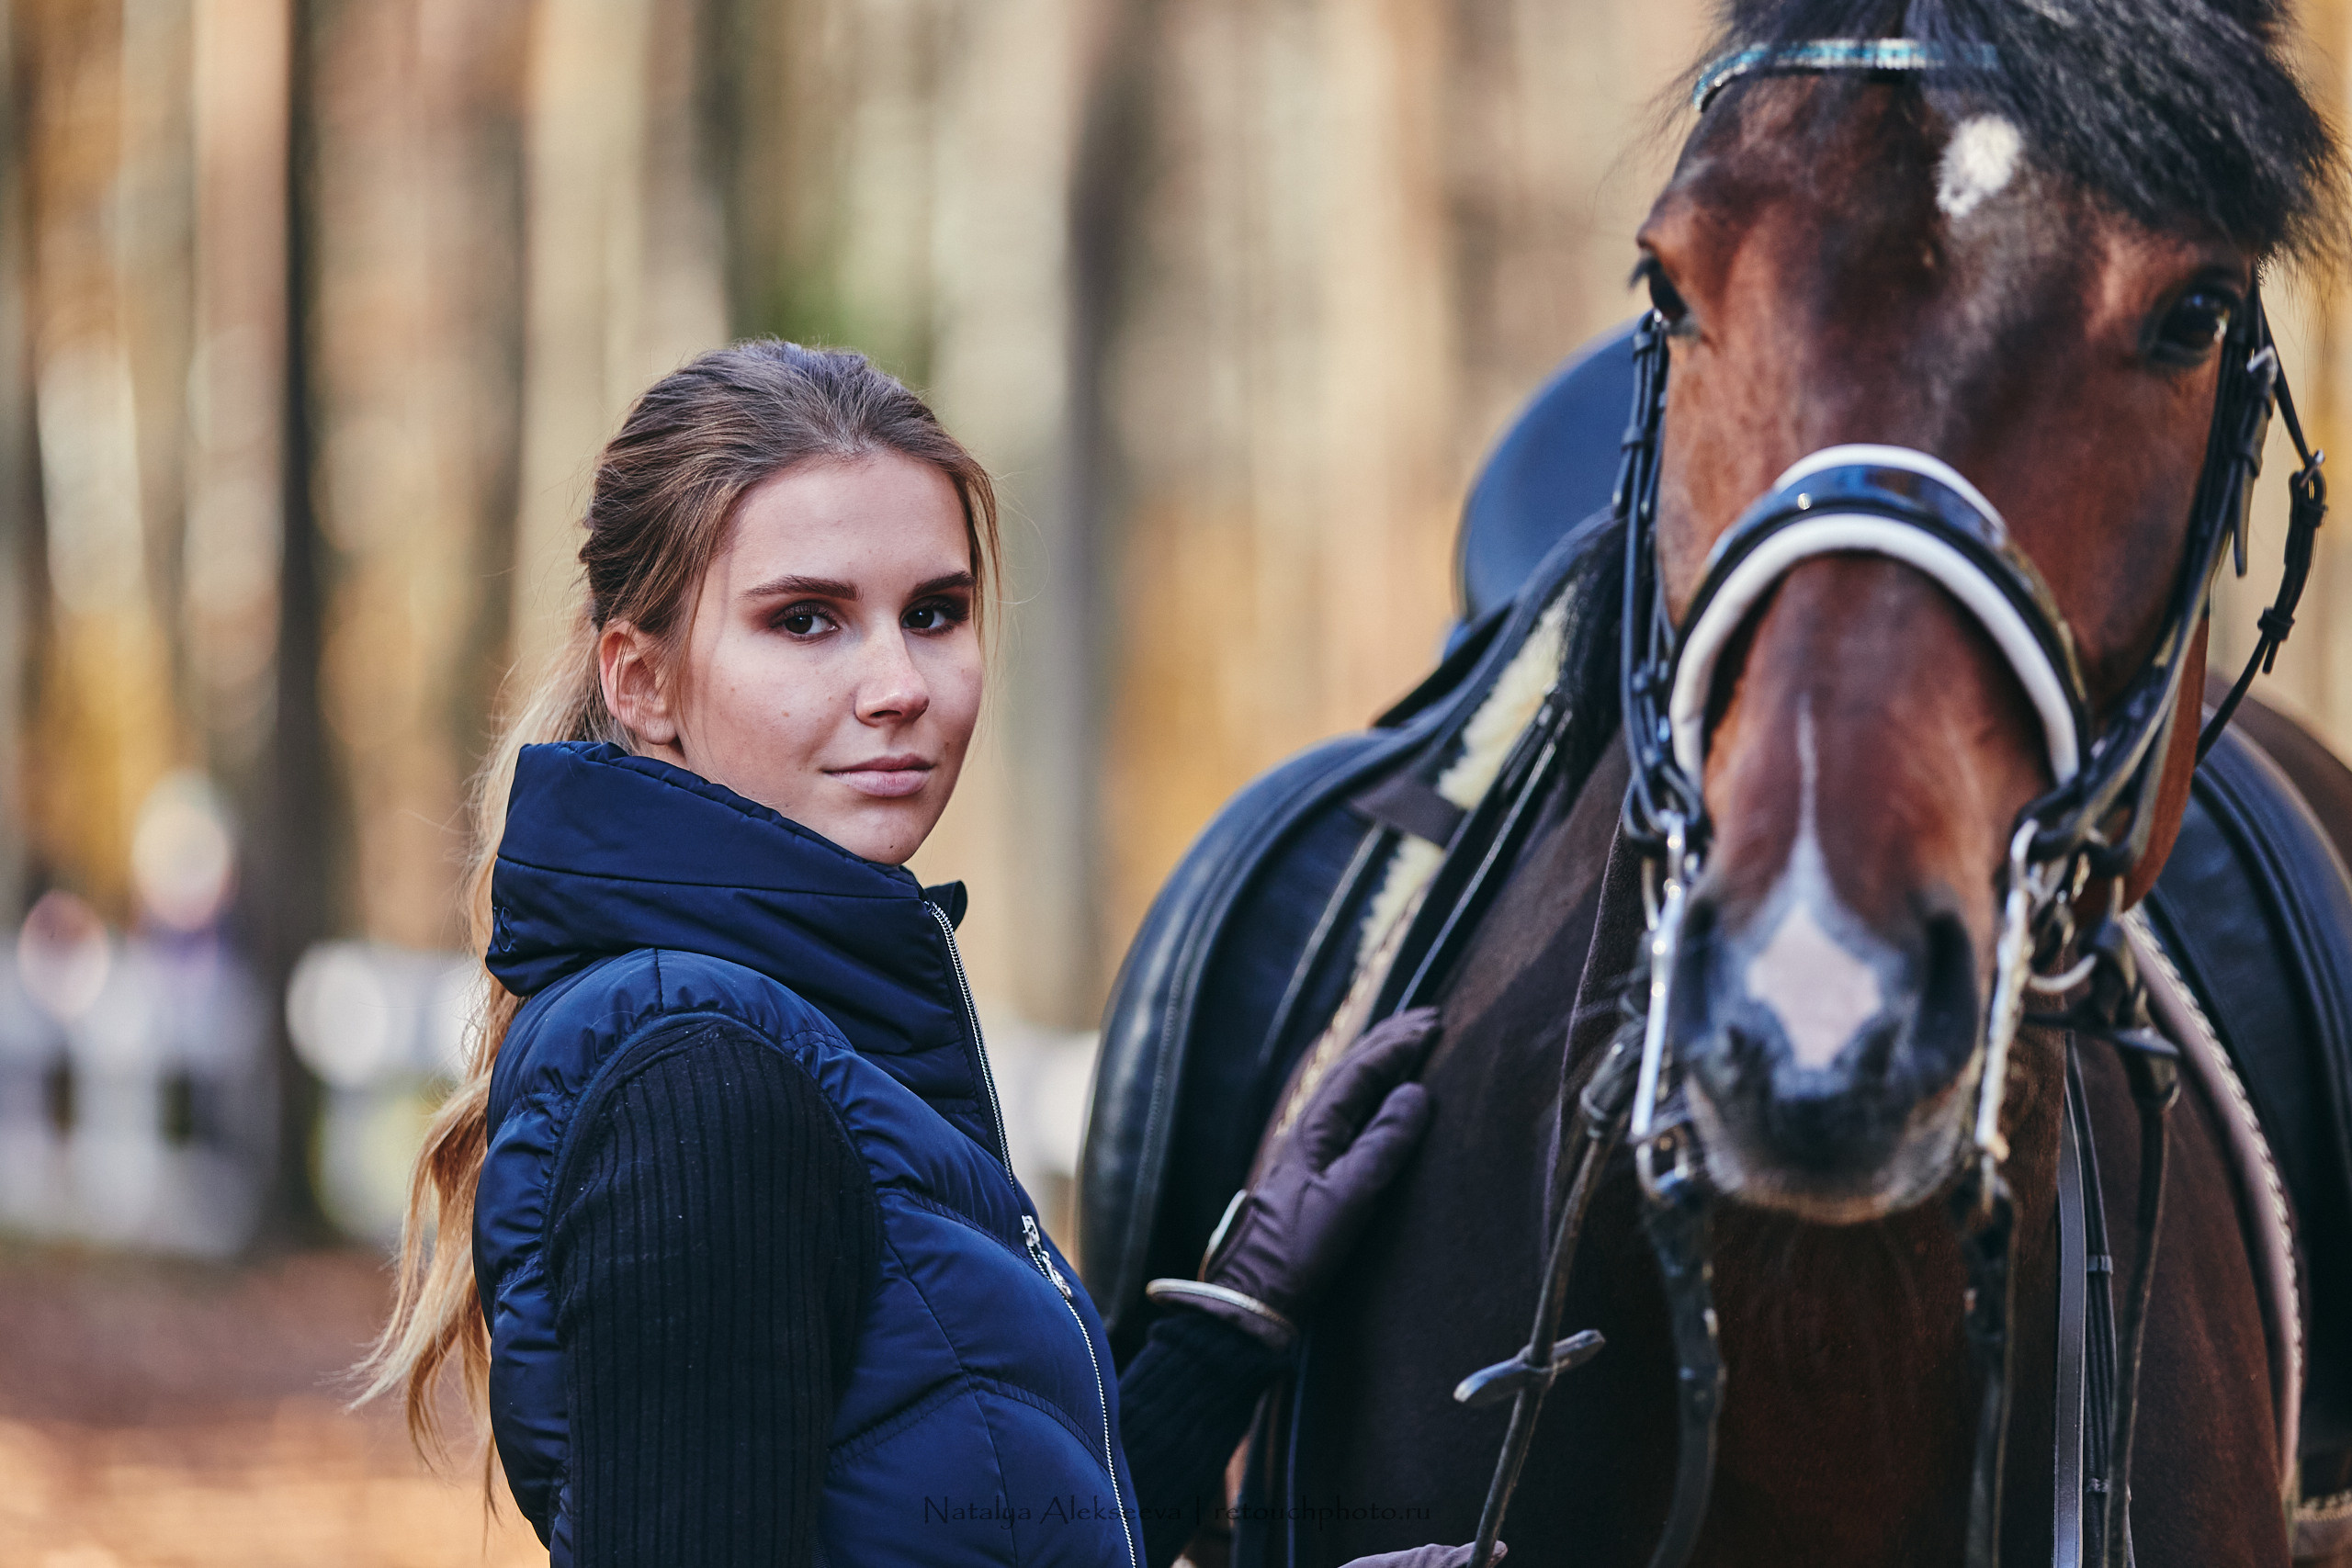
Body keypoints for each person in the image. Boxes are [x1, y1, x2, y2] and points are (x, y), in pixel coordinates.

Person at [362, 342, 1493, 1568]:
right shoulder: (700, 1080)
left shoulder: (814, 1029)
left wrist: (1236, 1314)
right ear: (642, 682)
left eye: (935, 613)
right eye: (807, 621)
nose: (899, 684)